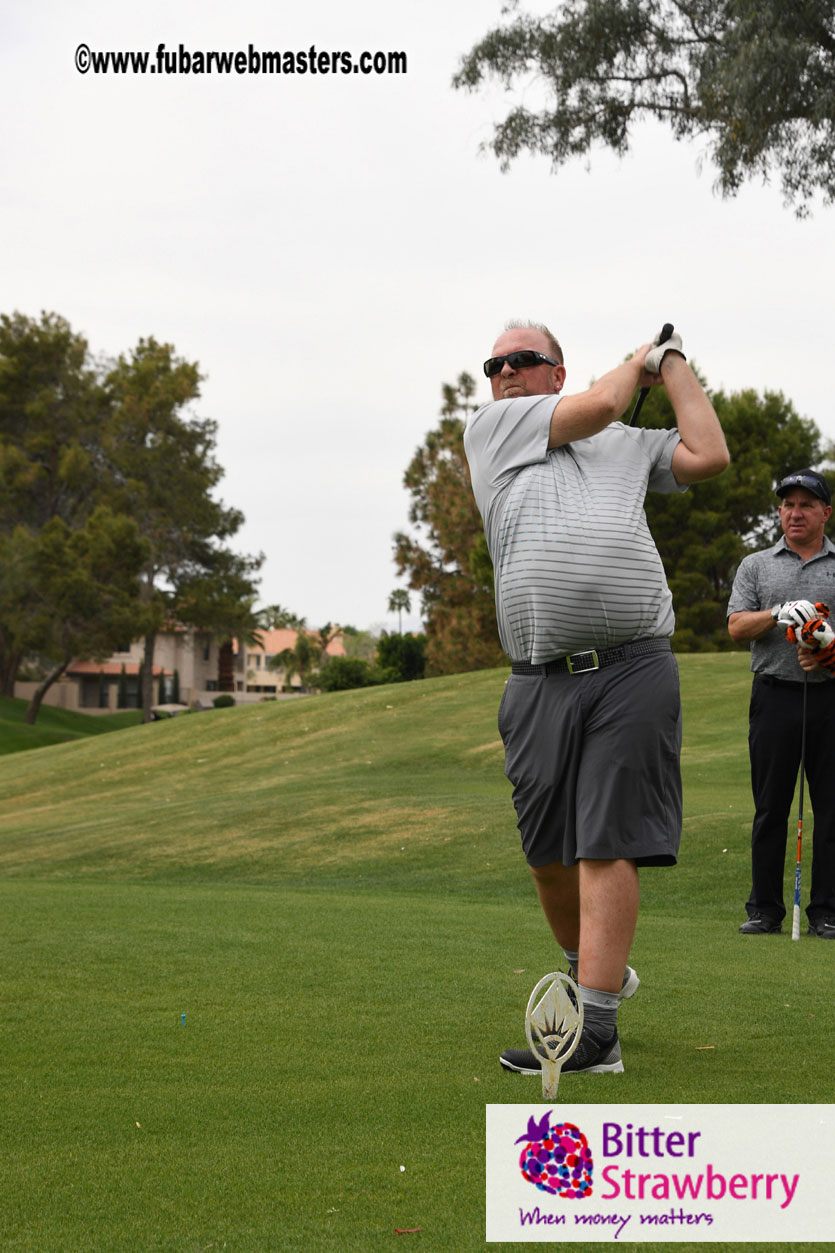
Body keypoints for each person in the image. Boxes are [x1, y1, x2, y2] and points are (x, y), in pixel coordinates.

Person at [463, 321, 728, 1076]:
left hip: (632, 667)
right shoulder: (492, 430)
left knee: (603, 840)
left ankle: (598, 1031)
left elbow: (708, 454)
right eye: (495, 364)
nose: (506, 371)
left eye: (523, 361)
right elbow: (606, 403)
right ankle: (593, 967)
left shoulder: (623, 444)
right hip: (537, 678)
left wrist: (671, 364)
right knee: (547, 856)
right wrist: (634, 363)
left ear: (555, 372)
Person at [727, 469, 835, 938]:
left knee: (831, 807)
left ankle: (827, 911)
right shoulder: (756, 565)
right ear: (779, 512)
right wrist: (775, 613)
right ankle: (765, 908)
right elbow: (735, 626)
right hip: (773, 697)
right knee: (770, 806)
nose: (795, 513)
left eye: (806, 505)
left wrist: (829, 653)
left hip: (830, 698)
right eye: (788, 504)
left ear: (825, 513)